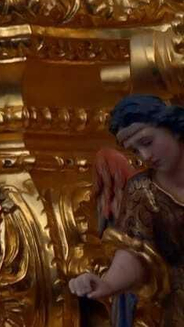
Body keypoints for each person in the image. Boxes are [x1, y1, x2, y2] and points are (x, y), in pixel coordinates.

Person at [70, 95, 184, 321]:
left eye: (147, 142)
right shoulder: (142, 190)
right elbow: (136, 252)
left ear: (172, 128)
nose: (145, 156)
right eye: (135, 151)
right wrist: (107, 284)